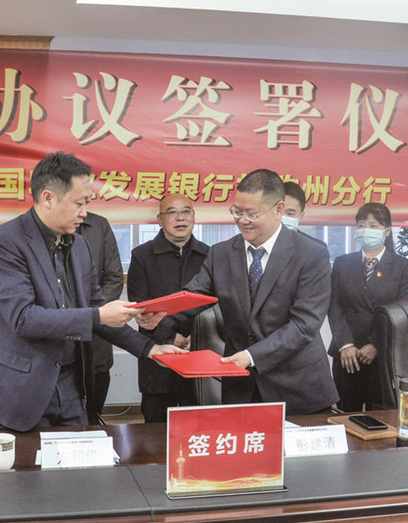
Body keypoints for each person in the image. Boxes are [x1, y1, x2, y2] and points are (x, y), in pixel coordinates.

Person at [0, 151, 184, 432]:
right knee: (24, 462)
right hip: (20, 388)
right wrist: (100, 315)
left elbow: (95, 304)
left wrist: (149, 348)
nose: (85, 212)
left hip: (72, 385)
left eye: (87, 203)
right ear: (48, 198)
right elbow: (24, 318)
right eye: (79, 203)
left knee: (78, 459)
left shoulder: (79, 245)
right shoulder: (5, 242)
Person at [141, 168, 337, 415]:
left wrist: (251, 356)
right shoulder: (221, 253)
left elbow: (303, 325)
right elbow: (193, 296)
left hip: (298, 387)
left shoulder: (311, 254)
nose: (242, 220)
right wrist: (159, 313)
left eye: (252, 214)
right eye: (237, 212)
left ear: (278, 210)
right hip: (241, 388)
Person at [127, 193, 209, 423]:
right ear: (160, 220)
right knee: (156, 427)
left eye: (186, 212)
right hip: (157, 353)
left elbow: (216, 304)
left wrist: (195, 336)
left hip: (199, 351)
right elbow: (141, 307)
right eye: (172, 213)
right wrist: (172, 338)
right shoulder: (142, 256)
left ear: (194, 216)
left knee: (199, 427)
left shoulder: (209, 255)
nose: (180, 218)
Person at [328, 203, 408, 411]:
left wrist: (375, 344)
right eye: (361, 225)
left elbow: (402, 310)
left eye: (373, 226)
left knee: (381, 418)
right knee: (345, 415)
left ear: (387, 232)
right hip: (347, 355)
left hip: (383, 354)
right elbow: (334, 306)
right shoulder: (342, 263)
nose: (366, 230)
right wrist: (345, 344)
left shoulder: (403, 266)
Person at [75, 211, 124, 422]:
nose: (83, 210)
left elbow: (114, 277)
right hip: (57, 332)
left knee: (93, 412)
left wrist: (95, 315)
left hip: (97, 329)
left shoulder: (99, 225)